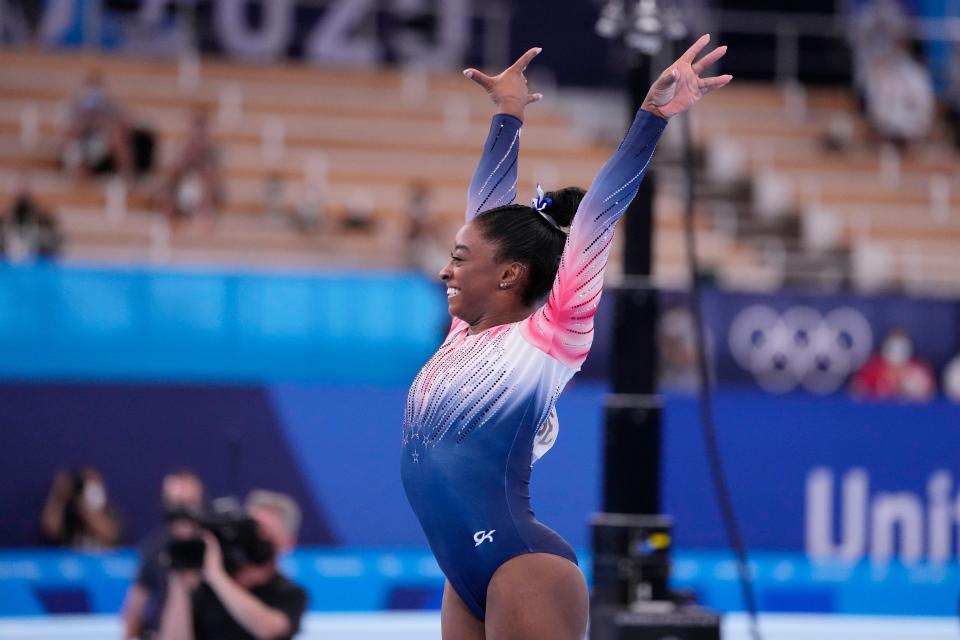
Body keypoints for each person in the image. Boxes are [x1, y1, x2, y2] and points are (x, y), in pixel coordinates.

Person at [400, 36, 730, 640]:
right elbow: (487, 208)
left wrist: (651, 120)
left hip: (523, 567)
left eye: (458, 259)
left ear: (508, 274)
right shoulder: (462, 334)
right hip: (465, 572)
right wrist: (507, 116)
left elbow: (598, 214)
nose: (445, 271)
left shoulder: (551, 335)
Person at [157, 490, 306, 640]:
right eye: (253, 528)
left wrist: (216, 576)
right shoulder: (205, 588)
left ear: (288, 542)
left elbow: (270, 630)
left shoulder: (290, 593)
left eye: (267, 532)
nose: (258, 537)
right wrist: (179, 584)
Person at [122, 470, 205, 640]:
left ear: (200, 502)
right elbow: (134, 609)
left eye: (189, 504)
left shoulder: (213, 546)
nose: (183, 513)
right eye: (176, 504)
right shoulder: (155, 547)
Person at [61, 71, 135, 180]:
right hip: (82, 142)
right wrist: (83, 122)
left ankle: (125, 175)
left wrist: (104, 124)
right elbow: (67, 130)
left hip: (103, 143)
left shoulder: (111, 105)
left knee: (117, 136)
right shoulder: (75, 105)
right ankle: (76, 172)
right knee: (71, 138)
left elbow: (125, 124)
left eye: (96, 87)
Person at [161, 109, 224, 223]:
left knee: (208, 171)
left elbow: (216, 178)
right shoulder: (182, 147)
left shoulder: (214, 150)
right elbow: (173, 174)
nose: (198, 133)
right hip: (183, 191)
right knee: (168, 190)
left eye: (202, 128)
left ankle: (205, 213)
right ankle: (168, 219)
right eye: (196, 127)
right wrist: (188, 156)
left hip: (204, 193)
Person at [40, 467, 122, 549]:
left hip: (102, 560)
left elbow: (109, 534)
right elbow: (51, 528)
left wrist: (83, 505)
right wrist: (59, 496)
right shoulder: (70, 516)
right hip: (73, 560)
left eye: (93, 485)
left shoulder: (110, 513)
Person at [851, 327, 935, 402]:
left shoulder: (919, 371)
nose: (897, 356)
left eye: (901, 350)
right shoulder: (872, 369)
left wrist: (910, 390)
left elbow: (930, 395)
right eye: (893, 350)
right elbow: (856, 391)